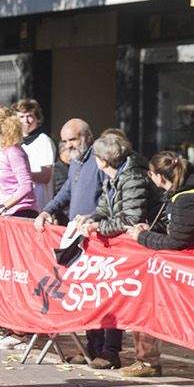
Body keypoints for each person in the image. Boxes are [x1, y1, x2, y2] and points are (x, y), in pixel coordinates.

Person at [116, 151, 194, 379]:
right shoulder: (180, 193)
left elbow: (176, 241)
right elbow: (175, 227)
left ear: (158, 176)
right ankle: (147, 360)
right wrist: (148, 230)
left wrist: (141, 238)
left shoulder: (188, 197)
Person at [78, 133, 158, 368]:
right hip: (119, 246)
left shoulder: (132, 176)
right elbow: (105, 206)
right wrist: (91, 218)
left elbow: (132, 217)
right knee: (107, 292)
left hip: (140, 247)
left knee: (135, 300)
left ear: (102, 160)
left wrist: (98, 227)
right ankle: (98, 349)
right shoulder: (113, 175)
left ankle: (142, 359)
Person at [0, 116, 37, 219]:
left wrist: (1, 208)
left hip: (22, 213)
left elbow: (26, 186)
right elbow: (7, 185)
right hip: (9, 213)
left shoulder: (13, 151)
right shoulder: (3, 150)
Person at [15, 99, 57, 192]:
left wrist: (20, 175)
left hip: (39, 200)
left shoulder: (44, 141)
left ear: (37, 118)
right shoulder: (15, 142)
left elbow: (45, 176)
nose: (26, 121)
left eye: (29, 116)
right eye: (21, 117)